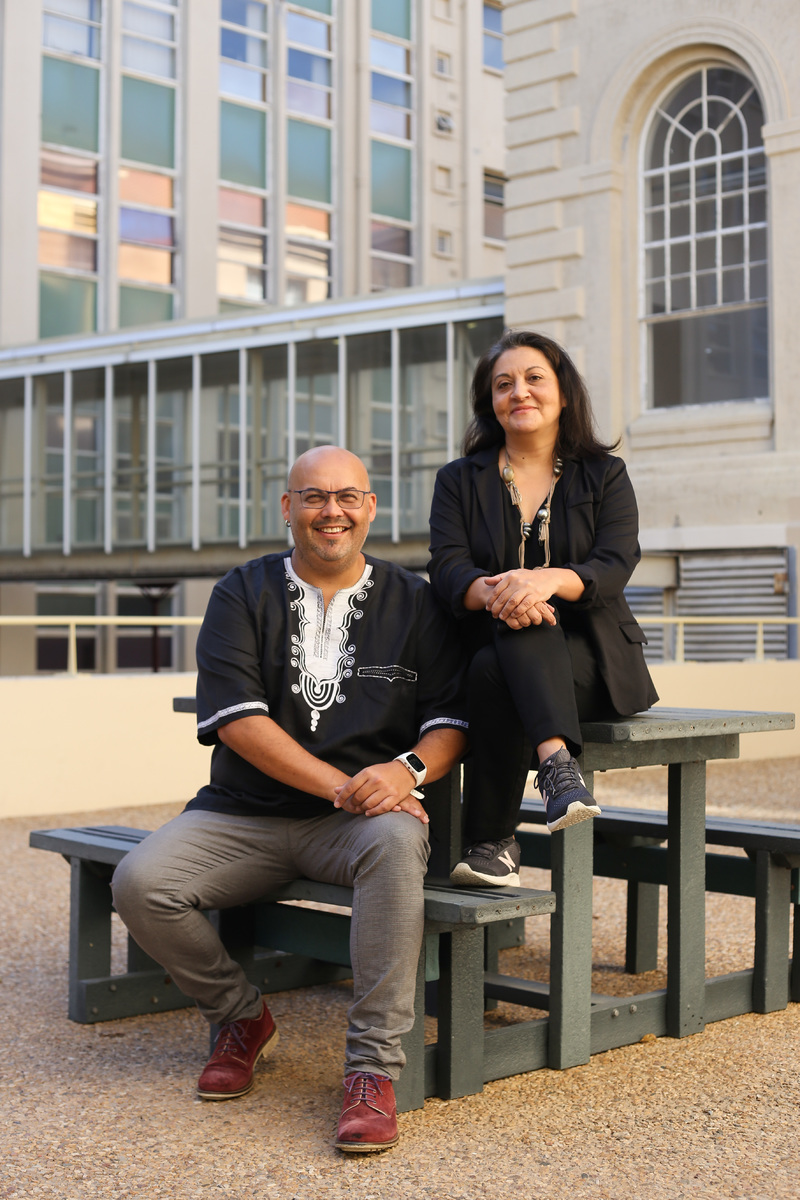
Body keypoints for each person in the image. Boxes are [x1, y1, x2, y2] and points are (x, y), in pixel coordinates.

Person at [112, 445, 468, 1154]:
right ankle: (240, 1016)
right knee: (142, 882)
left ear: (369, 508)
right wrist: (343, 786)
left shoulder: (417, 600)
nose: (329, 511)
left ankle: (371, 1072)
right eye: (312, 497)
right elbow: (241, 723)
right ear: (287, 508)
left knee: (399, 846)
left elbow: (450, 723)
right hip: (241, 814)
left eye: (345, 497)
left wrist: (405, 773)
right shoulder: (241, 592)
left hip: (358, 828)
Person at [427, 329, 657, 887]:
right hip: (497, 655)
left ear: (563, 393)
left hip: (591, 667)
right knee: (501, 650)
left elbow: (616, 561)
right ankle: (558, 770)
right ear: (491, 403)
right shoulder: (460, 480)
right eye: (504, 384)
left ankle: (494, 843)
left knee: (502, 655)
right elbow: (448, 567)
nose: (519, 392)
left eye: (534, 379)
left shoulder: (604, 474)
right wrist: (500, 593)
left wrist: (546, 581)